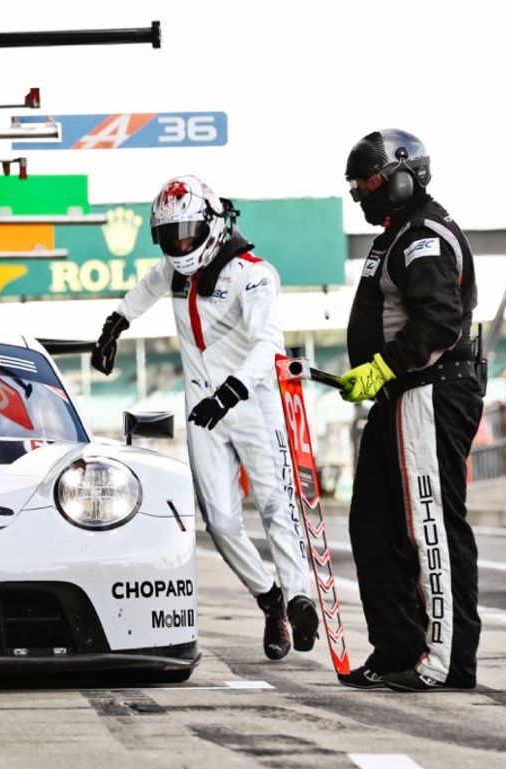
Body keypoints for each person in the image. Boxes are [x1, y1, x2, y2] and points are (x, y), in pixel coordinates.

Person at [92, 175, 315, 662]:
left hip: (255, 406)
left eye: (188, 233)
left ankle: (299, 596)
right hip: (202, 411)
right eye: (171, 237)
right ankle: (270, 599)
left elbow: (267, 346)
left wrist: (231, 392)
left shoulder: (254, 274)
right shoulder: (173, 271)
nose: (180, 244)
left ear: (213, 224)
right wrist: (115, 324)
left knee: (277, 506)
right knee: (219, 523)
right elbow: (144, 288)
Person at [338, 128, 483, 692]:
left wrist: (382, 367)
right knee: (373, 525)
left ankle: (445, 661)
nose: (362, 193)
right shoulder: (396, 233)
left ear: (402, 176)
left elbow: (440, 320)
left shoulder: (422, 235)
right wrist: (374, 374)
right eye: (357, 186)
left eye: (368, 182)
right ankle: (398, 648)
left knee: (431, 527)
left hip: (428, 391)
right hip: (399, 395)